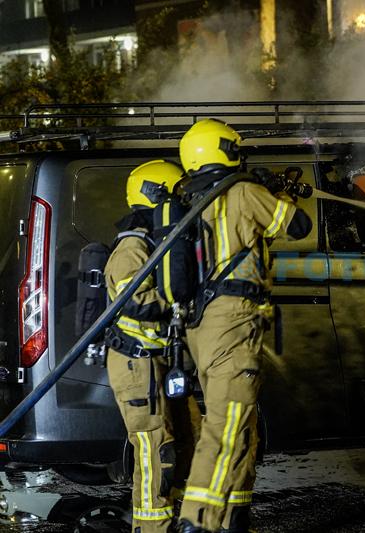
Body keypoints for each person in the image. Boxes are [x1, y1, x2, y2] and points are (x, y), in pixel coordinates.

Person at [176, 119, 312, 533]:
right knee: (227, 425)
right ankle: (196, 523)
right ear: (223, 150)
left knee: (242, 426)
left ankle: (234, 516)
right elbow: (297, 226)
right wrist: (276, 191)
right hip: (234, 320)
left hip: (204, 325)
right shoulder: (242, 192)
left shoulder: (190, 199)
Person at [105, 160, 198, 533]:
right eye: (177, 193)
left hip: (160, 360)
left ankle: (179, 518)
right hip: (135, 363)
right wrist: (177, 298)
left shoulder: (161, 239)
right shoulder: (133, 245)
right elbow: (136, 302)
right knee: (154, 448)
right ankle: (151, 527)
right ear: (157, 194)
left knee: (189, 438)